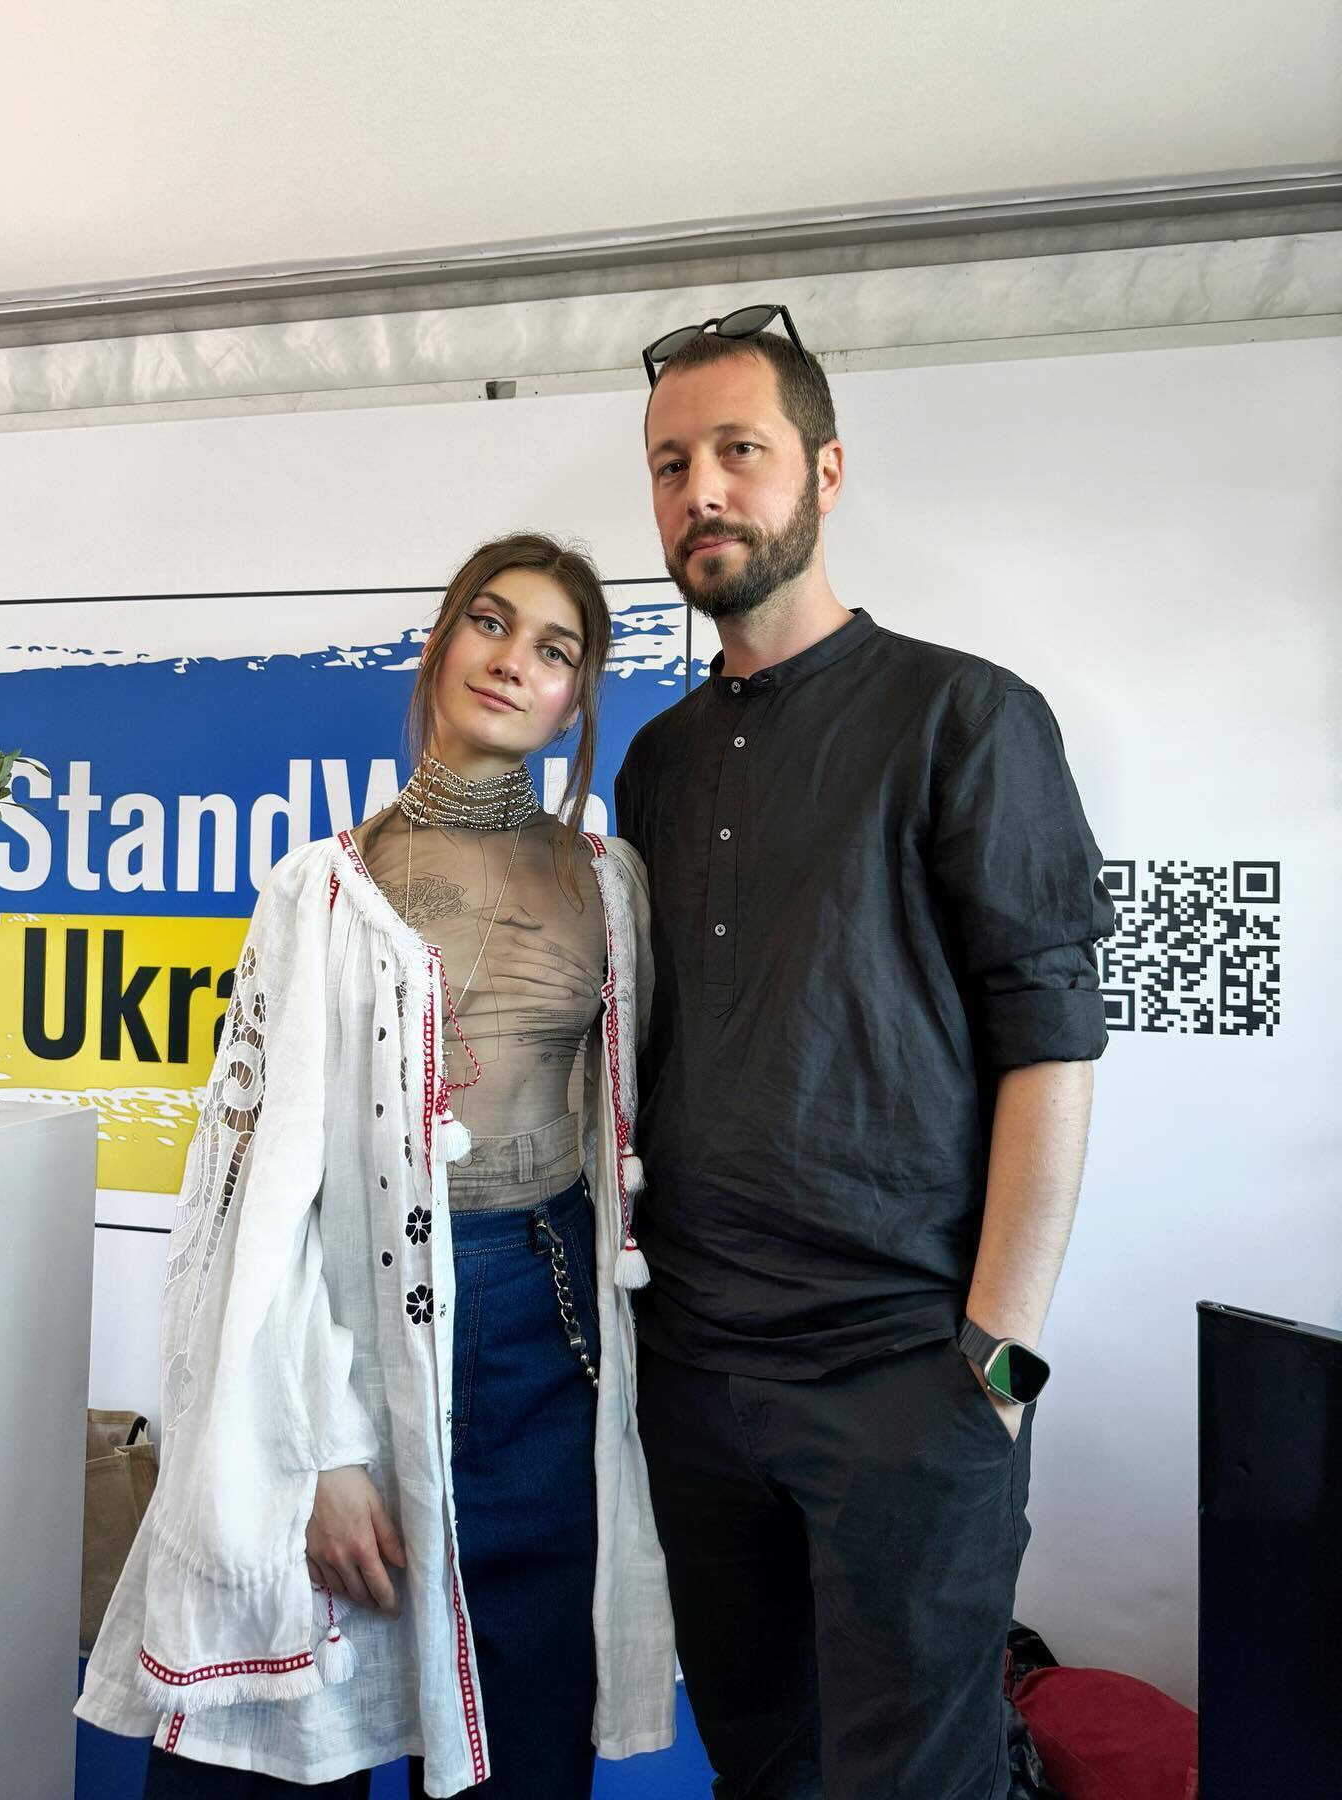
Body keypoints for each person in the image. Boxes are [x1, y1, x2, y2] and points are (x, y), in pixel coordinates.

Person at [78, 532, 675, 1798]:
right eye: (492, 623)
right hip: (348, 1335)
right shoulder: (323, 893)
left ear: (580, 700)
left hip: (547, 1340)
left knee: (521, 1735)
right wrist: (321, 1457)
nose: (515, 663)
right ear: (441, 640)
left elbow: (630, 1132)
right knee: (301, 1719)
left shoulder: (610, 885)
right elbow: (256, 1205)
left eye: (556, 650)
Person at [615, 307, 1115, 1800]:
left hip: (908, 1381)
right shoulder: (655, 758)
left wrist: (1000, 1367)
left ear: (826, 472)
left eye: (739, 452)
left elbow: (1055, 1051)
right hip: (697, 1377)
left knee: (924, 1782)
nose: (701, 491)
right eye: (668, 465)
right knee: (765, 1765)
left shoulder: (967, 717)